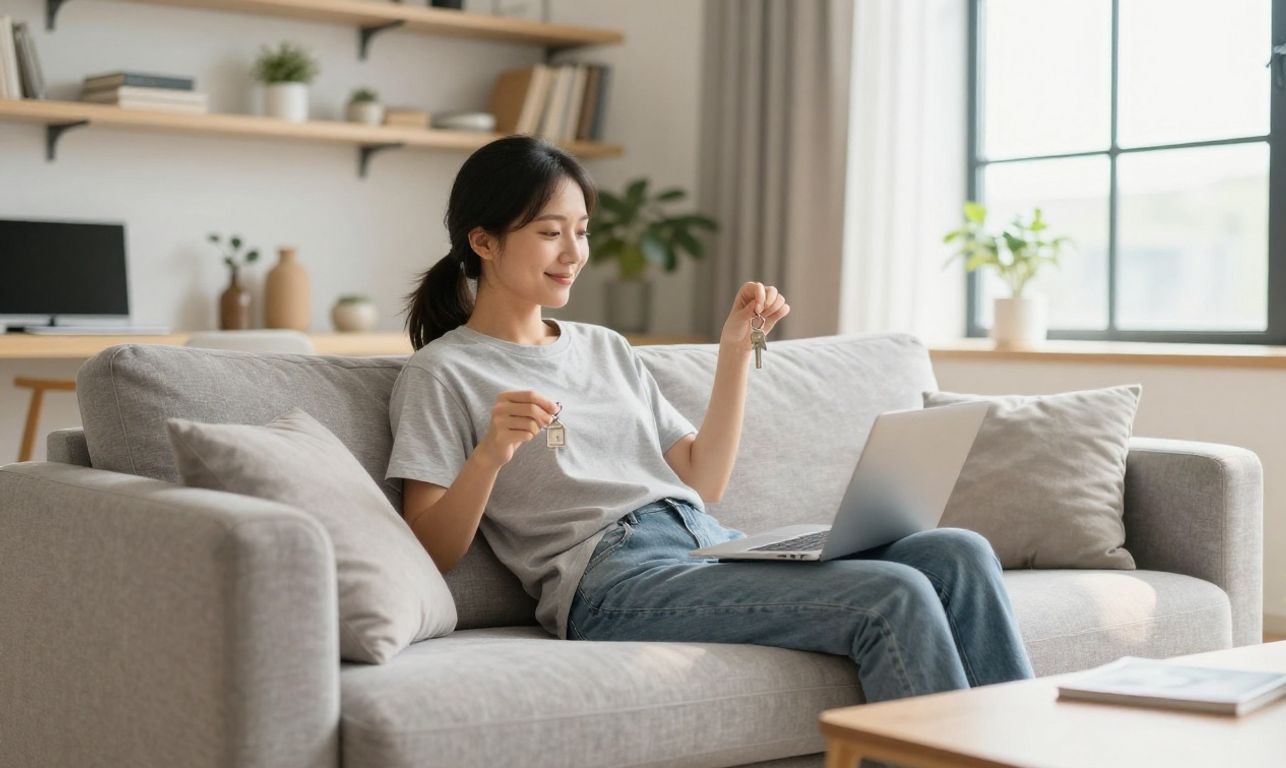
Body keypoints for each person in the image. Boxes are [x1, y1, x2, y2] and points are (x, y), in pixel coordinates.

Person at [386, 134, 1035, 705]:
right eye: (551, 232)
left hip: (709, 542)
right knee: (894, 595)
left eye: (582, 230)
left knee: (957, 552)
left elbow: (705, 476)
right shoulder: (442, 372)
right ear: (483, 241)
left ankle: (1012, 751)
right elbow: (431, 547)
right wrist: (489, 456)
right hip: (613, 581)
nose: (574, 251)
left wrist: (734, 352)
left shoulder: (605, 346)